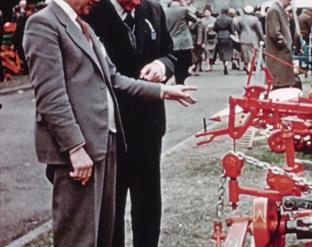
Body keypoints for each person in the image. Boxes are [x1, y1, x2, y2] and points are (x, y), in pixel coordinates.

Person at [22, 0, 196, 246]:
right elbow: (51, 97)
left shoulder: (81, 25)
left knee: (103, 232)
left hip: (106, 142)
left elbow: (113, 78)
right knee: (79, 235)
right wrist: (75, 147)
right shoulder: (42, 24)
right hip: (83, 149)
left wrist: (163, 91)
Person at [84, 0, 177, 246]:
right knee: (111, 206)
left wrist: (161, 66)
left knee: (148, 202)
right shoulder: (91, 11)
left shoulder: (153, 9)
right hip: (109, 126)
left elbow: (170, 52)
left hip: (148, 124)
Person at [265, 0, 296, 89]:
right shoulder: (274, 10)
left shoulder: (278, 9)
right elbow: (274, 33)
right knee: (278, 87)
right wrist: (285, 44)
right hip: (278, 56)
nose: (290, 2)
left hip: (281, 55)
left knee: (282, 86)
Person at [165, 0, 197, 84]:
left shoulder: (165, 11)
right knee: (185, 62)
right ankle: (181, 80)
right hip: (184, 42)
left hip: (172, 41)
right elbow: (195, 19)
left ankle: (177, 79)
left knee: (176, 62)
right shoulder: (183, 10)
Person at [235, 5, 264, 72]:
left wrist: (240, 33)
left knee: (245, 52)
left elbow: (237, 28)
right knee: (253, 52)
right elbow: (259, 30)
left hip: (243, 36)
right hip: (253, 37)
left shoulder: (240, 19)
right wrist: (262, 38)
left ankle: (246, 65)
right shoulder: (255, 19)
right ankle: (250, 65)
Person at [214, 8, 234, 75]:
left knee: (221, 51)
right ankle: (226, 63)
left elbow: (215, 28)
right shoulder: (230, 19)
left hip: (220, 35)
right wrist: (232, 34)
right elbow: (232, 29)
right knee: (228, 51)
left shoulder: (217, 18)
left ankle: (223, 63)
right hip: (227, 35)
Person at [201, 6, 216, 72]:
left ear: (210, 13)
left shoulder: (214, 20)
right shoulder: (202, 20)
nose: (206, 13)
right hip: (205, 38)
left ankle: (211, 65)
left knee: (212, 52)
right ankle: (207, 65)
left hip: (212, 38)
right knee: (206, 52)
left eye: (208, 12)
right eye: (205, 12)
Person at [191, 11, 205, 76]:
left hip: (194, 41)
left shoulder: (195, 23)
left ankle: (196, 68)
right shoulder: (200, 23)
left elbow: (200, 33)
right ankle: (197, 69)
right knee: (198, 55)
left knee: (195, 55)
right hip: (198, 41)